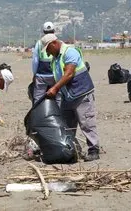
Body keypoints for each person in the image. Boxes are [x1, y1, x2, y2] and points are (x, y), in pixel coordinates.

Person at [41, 33, 100, 162]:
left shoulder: (70, 52)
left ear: (54, 44)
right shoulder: (55, 59)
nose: (48, 53)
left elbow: (69, 74)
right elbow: (57, 77)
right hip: (67, 96)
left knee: (86, 123)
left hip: (81, 93)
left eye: (48, 49)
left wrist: (55, 88)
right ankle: (71, 150)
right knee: (66, 125)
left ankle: (94, 150)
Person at [31, 22, 61, 106]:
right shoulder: (58, 42)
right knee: (58, 97)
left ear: (43, 31)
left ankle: (37, 114)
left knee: (38, 97)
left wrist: (34, 74)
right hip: (55, 75)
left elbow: (35, 60)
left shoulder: (39, 43)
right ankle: (59, 115)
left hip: (42, 74)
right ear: (54, 31)